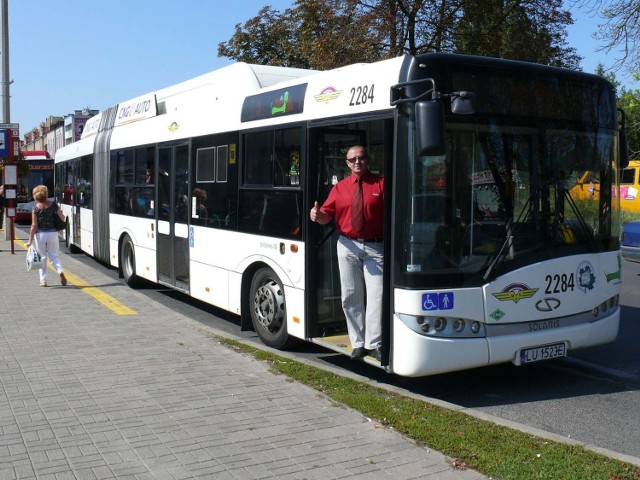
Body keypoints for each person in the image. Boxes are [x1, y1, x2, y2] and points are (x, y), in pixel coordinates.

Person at [310, 145, 384, 361]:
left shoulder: (381, 184)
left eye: (361, 158)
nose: (357, 162)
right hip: (347, 245)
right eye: (353, 159)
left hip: (375, 247)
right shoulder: (339, 188)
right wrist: (317, 215)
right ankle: (358, 343)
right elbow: (327, 217)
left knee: (377, 296)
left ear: (367, 160)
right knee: (350, 295)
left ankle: (374, 343)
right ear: (347, 163)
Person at [26, 185, 67, 287]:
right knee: (54, 256)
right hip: (52, 234)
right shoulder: (53, 205)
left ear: (35, 196)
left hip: (40, 235)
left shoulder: (35, 208)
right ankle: (60, 271)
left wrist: (30, 240)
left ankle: (43, 281)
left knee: (42, 258)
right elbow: (62, 218)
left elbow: (34, 225)